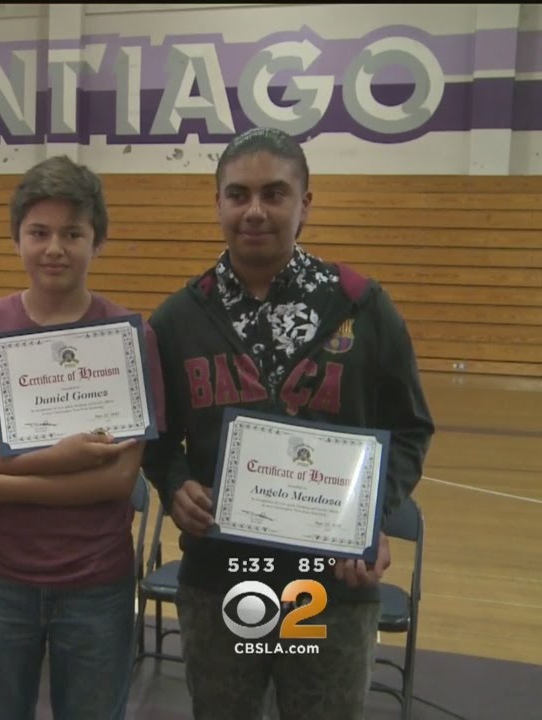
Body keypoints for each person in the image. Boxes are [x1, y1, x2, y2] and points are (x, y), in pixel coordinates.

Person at [140, 127, 435, 720]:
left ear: (305, 204)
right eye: (238, 194)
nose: (254, 210)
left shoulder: (361, 305)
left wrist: (371, 514)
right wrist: (174, 486)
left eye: (274, 193)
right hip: (222, 575)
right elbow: (156, 436)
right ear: (217, 203)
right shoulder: (178, 317)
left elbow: (410, 429)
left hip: (333, 585)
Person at [0, 155, 162, 720]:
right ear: (17, 239)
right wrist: (60, 458)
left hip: (97, 581)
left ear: (97, 242)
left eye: (72, 233)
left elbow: (117, 477)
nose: (54, 247)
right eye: (39, 232)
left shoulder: (130, 338)